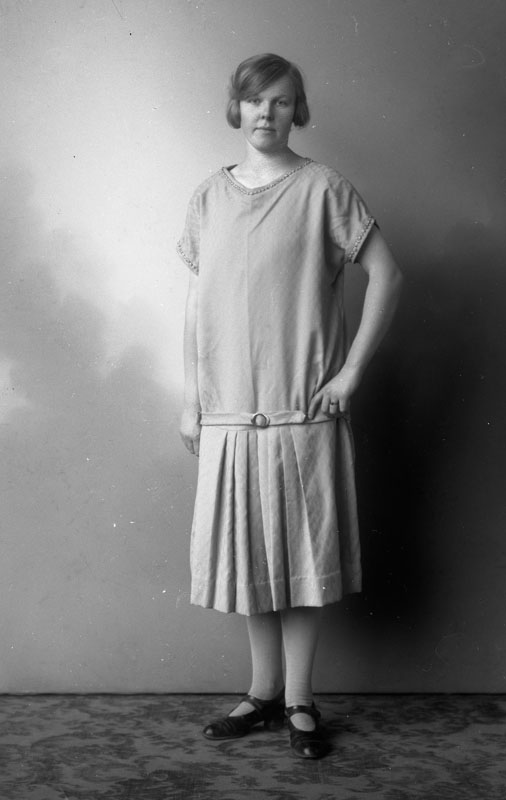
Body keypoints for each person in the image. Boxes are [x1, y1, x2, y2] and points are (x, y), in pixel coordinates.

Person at [177, 53, 402, 759]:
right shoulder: (207, 197)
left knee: (301, 560)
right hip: (229, 414)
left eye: (281, 101)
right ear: (236, 109)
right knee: (251, 557)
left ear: (297, 110)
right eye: (255, 101)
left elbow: (388, 275)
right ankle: (263, 692)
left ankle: (301, 699)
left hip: (303, 412)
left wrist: (352, 371)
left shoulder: (323, 188)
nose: (266, 113)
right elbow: (197, 306)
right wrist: (191, 397)